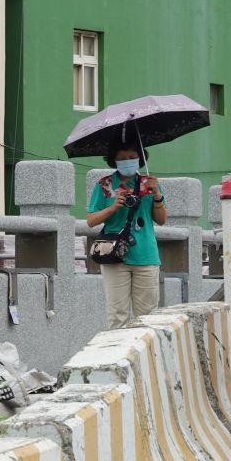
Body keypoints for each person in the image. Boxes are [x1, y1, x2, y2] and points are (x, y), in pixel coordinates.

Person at [86, 141, 168, 329]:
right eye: (122, 158)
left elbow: (161, 219)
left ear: (141, 158)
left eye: (132, 157)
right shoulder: (105, 185)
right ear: (113, 161)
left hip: (146, 255)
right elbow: (91, 220)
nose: (127, 161)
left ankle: (146, 357)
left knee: (147, 318)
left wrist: (157, 195)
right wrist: (114, 206)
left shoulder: (149, 183)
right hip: (115, 256)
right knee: (117, 316)